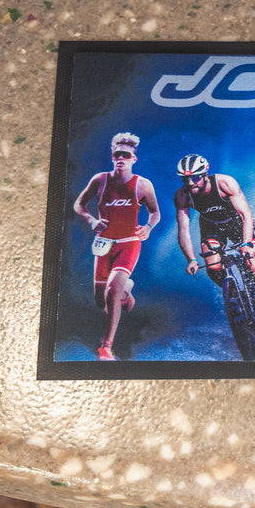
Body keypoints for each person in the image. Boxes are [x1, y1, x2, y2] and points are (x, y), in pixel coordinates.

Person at [174, 154, 255, 343]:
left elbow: (246, 215)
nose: (190, 183)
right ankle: (237, 296)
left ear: (205, 174)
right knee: (213, 267)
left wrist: (246, 243)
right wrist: (191, 259)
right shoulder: (182, 195)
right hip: (211, 226)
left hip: (237, 223)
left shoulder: (225, 183)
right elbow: (183, 231)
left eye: (194, 178)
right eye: (186, 179)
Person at [73, 132, 160, 360]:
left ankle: (106, 347)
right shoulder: (100, 180)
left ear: (133, 159)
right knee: (101, 300)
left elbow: (155, 212)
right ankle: (126, 290)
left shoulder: (142, 185)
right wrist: (91, 220)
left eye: (126, 155)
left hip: (128, 244)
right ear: (112, 157)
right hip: (104, 244)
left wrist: (148, 228)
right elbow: (79, 204)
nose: (121, 158)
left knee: (112, 292)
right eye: (117, 154)